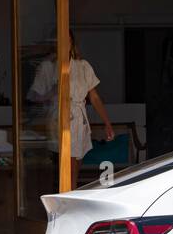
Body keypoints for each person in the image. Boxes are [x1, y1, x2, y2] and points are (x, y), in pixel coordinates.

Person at [30, 30, 114, 187]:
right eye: (60, 41)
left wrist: (107, 123)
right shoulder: (47, 67)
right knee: (69, 166)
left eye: (67, 41)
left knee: (76, 165)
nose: (64, 45)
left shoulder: (83, 66)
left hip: (79, 119)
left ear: (72, 44)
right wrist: (52, 91)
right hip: (59, 118)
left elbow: (94, 97)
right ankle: (69, 199)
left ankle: (70, 195)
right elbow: (35, 97)